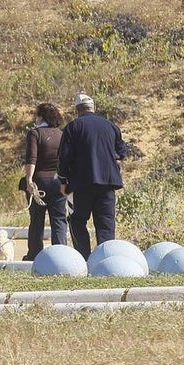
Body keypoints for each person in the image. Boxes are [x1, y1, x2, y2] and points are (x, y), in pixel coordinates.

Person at [59, 92, 127, 260]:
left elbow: (64, 157)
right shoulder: (111, 126)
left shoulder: (73, 127)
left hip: (82, 184)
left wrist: (62, 180)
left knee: (77, 221)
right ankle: (106, 260)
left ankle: (84, 259)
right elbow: (122, 152)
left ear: (77, 110)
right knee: (106, 223)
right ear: (93, 108)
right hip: (108, 183)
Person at [20, 102, 69, 261]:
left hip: (39, 182)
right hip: (58, 183)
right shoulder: (62, 134)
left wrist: (28, 180)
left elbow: (31, 158)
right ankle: (60, 255)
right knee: (59, 220)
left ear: (41, 116)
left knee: (36, 221)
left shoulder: (34, 133)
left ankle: (34, 254)